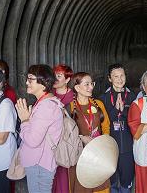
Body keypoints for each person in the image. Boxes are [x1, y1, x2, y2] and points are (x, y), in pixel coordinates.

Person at [16, 65, 63, 193]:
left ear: (43, 84)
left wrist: (25, 120)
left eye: (30, 79)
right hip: (41, 162)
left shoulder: (46, 107)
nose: (26, 82)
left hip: (39, 165)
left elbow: (32, 140)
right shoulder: (44, 102)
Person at [68, 72, 110, 193]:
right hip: (79, 157)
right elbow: (65, 134)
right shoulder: (69, 107)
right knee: (82, 188)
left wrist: (104, 144)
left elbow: (106, 127)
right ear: (77, 88)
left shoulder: (98, 104)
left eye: (92, 83)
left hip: (98, 156)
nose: (91, 87)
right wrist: (81, 138)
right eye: (87, 84)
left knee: (100, 186)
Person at [99, 64, 136, 193]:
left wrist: (124, 112)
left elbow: (137, 121)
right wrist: (115, 110)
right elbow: (101, 122)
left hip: (128, 147)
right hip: (110, 148)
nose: (119, 79)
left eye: (122, 75)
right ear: (110, 79)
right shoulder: (103, 98)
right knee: (112, 182)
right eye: (116, 76)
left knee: (126, 181)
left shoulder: (133, 97)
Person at [52, 64, 74, 193]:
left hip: (67, 143)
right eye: (54, 75)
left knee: (64, 177)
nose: (55, 78)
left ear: (67, 80)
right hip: (51, 143)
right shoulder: (49, 96)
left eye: (59, 76)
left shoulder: (74, 97)